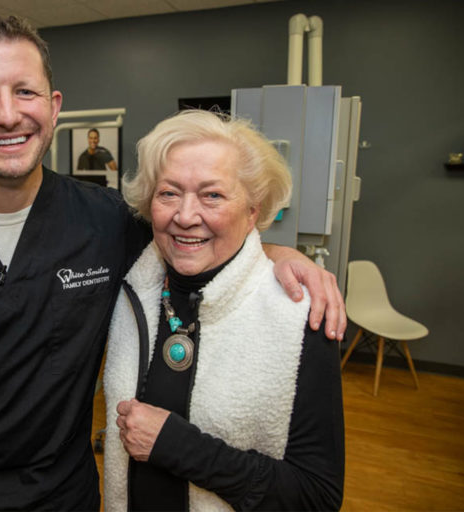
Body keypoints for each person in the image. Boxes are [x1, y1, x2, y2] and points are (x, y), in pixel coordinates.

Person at [0, 15, 345, 511]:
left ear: (54, 107)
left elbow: (195, 236)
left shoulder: (106, 222)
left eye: (25, 91)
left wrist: (275, 254)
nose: (7, 113)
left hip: (60, 498)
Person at [104, 110, 345, 511]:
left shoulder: (299, 317)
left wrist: (182, 449)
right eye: (168, 193)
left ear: (253, 210)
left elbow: (317, 497)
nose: (185, 215)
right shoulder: (129, 284)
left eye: (212, 195)